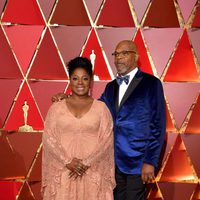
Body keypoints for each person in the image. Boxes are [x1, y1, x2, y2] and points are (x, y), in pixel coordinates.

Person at [52, 40, 166, 200]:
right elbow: (94, 108)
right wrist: (68, 98)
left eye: (124, 53)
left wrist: (150, 161)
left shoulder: (151, 84)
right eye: (116, 54)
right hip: (112, 161)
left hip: (138, 162)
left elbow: (158, 125)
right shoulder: (111, 87)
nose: (118, 58)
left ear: (136, 56)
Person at [42, 57, 115, 200]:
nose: (80, 83)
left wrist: (86, 163)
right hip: (64, 173)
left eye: (85, 78)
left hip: (92, 174)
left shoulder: (101, 108)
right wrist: (67, 161)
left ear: (91, 81)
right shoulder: (56, 108)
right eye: (75, 78)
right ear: (69, 80)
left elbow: (106, 141)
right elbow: (48, 138)